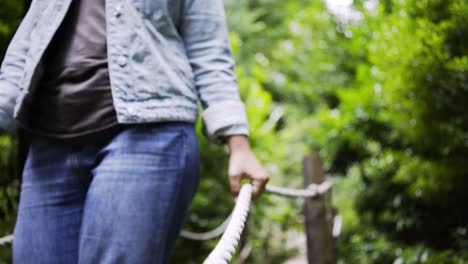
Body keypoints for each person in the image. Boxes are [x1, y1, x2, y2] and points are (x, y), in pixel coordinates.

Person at [0, 0, 269, 263]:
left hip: (148, 137)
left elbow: (209, 49)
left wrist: (237, 140)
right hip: (49, 145)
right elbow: (23, 53)